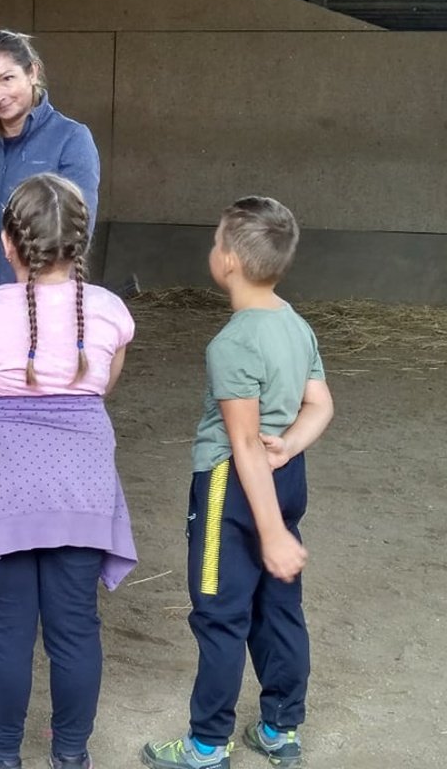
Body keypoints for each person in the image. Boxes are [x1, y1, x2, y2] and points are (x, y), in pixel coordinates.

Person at [0, 173, 139, 769]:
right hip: (82, 488)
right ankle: (71, 755)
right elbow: (102, 386)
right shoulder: (111, 312)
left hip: (2, 490)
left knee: (5, 629)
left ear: (7, 242)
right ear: (82, 240)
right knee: (76, 627)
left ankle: (1, 755)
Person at [140, 197, 334, 769]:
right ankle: (280, 727)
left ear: (228, 260)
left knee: (220, 614)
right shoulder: (296, 326)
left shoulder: (232, 343)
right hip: (286, 474)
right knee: (280, 608)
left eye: (215, 241)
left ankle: (206, 745)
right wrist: (290, 445)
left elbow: (244, 442)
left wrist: (270, 533)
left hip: (232, 486)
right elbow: (320, 405)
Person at [0, 30, 102, 312]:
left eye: (7, 78)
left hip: (45, 310)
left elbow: (77, 231)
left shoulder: (71, 140)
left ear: (32, 72)